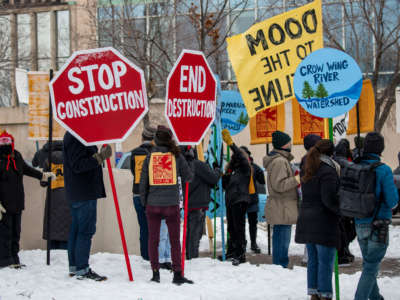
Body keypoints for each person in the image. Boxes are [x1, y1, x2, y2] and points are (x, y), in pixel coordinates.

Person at [140, 125, 194, 285]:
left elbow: (143, 183)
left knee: (153, 240)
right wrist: (190, 160)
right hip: (171, 204)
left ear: (156, 140)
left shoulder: (149, 157)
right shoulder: (176, 156)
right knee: (174, 240)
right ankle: (177, 273)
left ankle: (155, 273)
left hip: (153, 204)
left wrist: (145, 203)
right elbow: (189, 177)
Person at [353, 132, 398, 300]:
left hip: (359, 222)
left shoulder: (355, 167)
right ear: (381, 149)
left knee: (369, 263)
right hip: (378, 224)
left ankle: (376, 297)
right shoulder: (384, 170)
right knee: (371, 266)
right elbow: (393, 201)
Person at [0, 131, 53, 269]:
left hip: (17, 202)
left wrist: (42, 175)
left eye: (7, 142)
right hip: (3, 204)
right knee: (5, 233)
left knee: (16, 232)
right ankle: (5, 261)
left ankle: (14, 258)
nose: (5, 145)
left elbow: (27, 169)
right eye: (2, 142)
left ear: (12, 143)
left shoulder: (16, 156)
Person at [295, 139, 341, 300]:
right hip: (323, 221)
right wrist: (339, 211)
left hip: (307, 219)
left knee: (313, 260)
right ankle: (325, 295)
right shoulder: (328, 171)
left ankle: (314, 293)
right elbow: (329, 198)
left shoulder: (307, 168)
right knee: (325, 262)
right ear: (331, 154)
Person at [63, 131, 111, 281]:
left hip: (80, 191)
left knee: (77, 229)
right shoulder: (75, 135)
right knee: (85, 230)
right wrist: (100, 157)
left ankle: (75, 266)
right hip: (84, 192)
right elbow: (78, 165)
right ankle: (82, 269)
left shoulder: (74, 134)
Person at [263, 130, 299, 268]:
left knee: (280, 239)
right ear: (284, 145)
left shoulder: (280, 160)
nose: (291, 144)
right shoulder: (279, 162)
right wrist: (297, 179)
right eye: (289, 142)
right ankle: (280, 267)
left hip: (282, 207)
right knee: (282, 241)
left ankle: (279, 266)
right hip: (282, 207)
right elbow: (279, 185)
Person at [221, 129, 252, 266]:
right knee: (231, 228)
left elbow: (239, 155)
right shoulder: (232, 170)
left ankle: (240, 254)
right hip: (231, 201)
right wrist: (225, 173)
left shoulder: (246, 168)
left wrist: (231, 145)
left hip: (240, 200)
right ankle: (231, 251)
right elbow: (225, 185)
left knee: (239, 228)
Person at [33, 141, 71, 250]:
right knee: (66, 230)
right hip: (68, 198)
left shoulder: (48, 159)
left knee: (52, 229)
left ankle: (52, 253)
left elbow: (43, 182)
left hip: (52, 200)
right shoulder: (69, 158)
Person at [184, 148, 220, 260]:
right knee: (195, 234)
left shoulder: (181, 165)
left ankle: (190, 256)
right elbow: (213, 179)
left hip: (188, 204)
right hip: (198, 204)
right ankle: (192, 259)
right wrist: (217, 170)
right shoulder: (198, 165)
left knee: (190, 233)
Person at [130, 126, 156, 261]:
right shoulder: (156, 153)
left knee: (143, 228)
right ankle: (153, 256)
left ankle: (145, 257)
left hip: (137, 193)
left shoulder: (134, 153)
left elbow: (134, 172)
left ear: (142, 137)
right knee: (154, 228)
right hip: (152, 194)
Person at [299, 134, 322, 265]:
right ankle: (310, 256)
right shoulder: (314, 160)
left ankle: (308, 256)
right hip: (315, 200)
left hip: (307, 200)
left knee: (310, 231)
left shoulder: (304, 159)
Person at [334, 139, 357, 266]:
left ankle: (343, 251)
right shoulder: (348, 164)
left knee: (343, 228)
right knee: (347, 228)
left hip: (339, 199)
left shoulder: (334, 162)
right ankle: (343, 252)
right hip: (346, 200)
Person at [240, 146, 265, 254]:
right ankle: (242, 243)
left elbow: (262, 181)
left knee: (252, 223)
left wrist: (261, 173)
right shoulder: (236, 167)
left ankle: (253, 243)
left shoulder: (254, 167)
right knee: (240, 223)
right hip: (239, 199)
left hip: (251, 199)